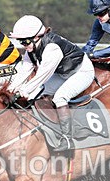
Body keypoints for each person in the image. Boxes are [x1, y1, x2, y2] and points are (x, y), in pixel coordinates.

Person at [9, 15, 95, 151]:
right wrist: (11, 90)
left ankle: (68, 138)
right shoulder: (31, 48)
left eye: (25, 42)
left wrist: (23, 91)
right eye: (20, 42)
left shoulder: (52, 48)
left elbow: (41, 77)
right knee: (33, 97)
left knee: (60, 97)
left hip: (82, 72)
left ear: (37, 36)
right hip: (63, 73)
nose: (23, 45)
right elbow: (24, 72)